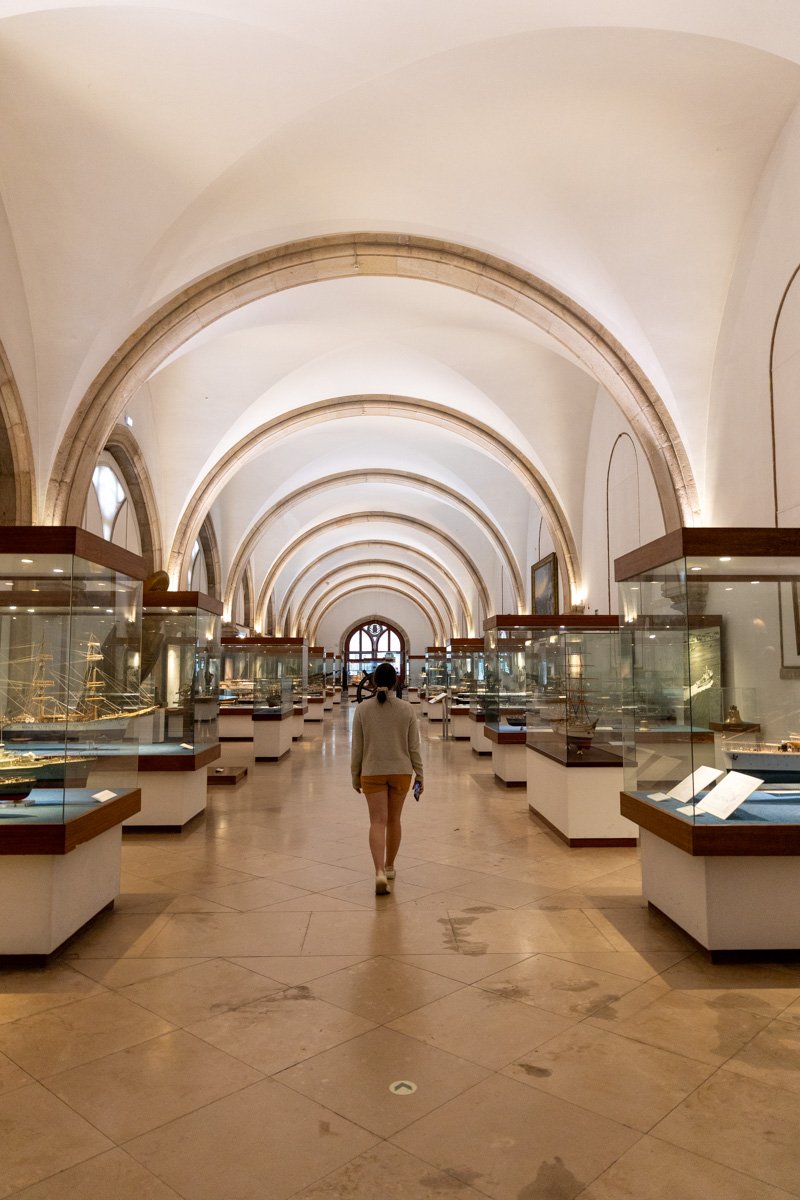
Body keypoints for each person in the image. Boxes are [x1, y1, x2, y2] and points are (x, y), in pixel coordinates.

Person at [351, 661, 424, 894]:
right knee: (394, 820)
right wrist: (420, 775)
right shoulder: (407, 709)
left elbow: (357, 748)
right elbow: (414, 747)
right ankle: (391, 866)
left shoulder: (362, 709)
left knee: (377, 822)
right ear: (396, 682)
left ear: (372, 682)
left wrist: (355, 775)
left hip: (372, 771)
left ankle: (379, 871)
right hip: (401, 772)